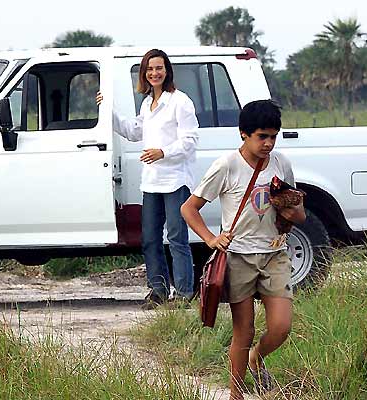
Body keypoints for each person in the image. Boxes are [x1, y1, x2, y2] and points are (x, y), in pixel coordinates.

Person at [180, 100, 306, 399]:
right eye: (262, 136)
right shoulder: (227, 165)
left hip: (275, 252)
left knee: (281, 327)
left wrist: (291, 213)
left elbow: (300, 212)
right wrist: (211, 239)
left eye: (274, 136)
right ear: (243, 134)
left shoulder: (281, 163)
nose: (269, 143)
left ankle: (257, 358)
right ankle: (236, 392)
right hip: (239, 257)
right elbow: (190, 208)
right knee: (244, 331)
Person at [97, 49, 198, 308]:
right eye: (149, 69)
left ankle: (185, 293)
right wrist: (107, 111)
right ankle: (158, 291)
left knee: (177, 237)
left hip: (176, 179)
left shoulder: (180, 102)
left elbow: (190, 141)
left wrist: (163, 152)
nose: (154, 73)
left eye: (159, 68)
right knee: (150, 238)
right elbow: (133, 131)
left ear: (167, 71)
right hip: (152, 181)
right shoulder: (147, 104)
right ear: (144, 73)